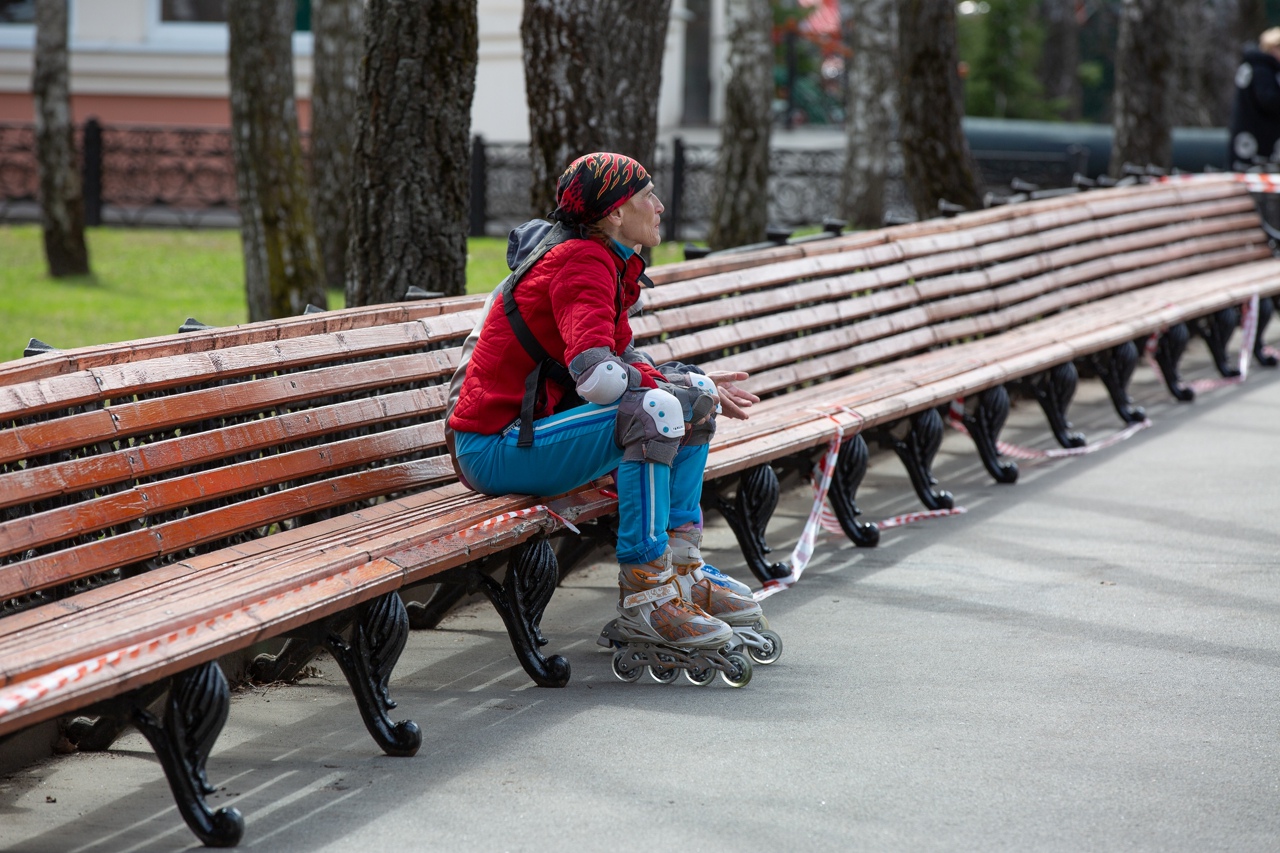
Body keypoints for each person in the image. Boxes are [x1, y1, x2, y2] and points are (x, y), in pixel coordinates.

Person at [445, 152, 769, 678]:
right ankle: (646, 597)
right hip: (493, 447)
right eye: (648, 197)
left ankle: (681, 572)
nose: (660, 206)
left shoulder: (606, 260)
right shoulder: (581, 261)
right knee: (657, 409)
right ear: (616, 212)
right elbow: (599, 379)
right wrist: (672, 386)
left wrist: (691, 383)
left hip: (527, 439)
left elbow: (624, 362)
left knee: (693, 403)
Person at [1229, 28, 1280, 170]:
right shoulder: (1262, 69)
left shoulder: (1252, 65)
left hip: (1247, 136)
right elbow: (1269, 100)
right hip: (1258, 140)